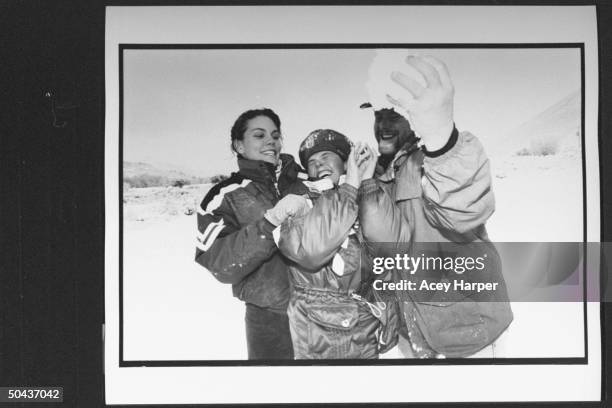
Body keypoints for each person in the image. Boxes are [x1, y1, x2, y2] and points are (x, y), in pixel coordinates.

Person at [358, 55, 513, 358]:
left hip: (468, 334)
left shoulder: (439, 160)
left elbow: (465, 208)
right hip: (415, 332)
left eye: (395, 115)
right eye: (380, 116)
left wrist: (442, 141)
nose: (384, 126)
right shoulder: (382, 174)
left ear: (415, 119)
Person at [194, 108, 310, 360]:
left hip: (324, 313)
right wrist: (269, 224)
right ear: (239, 145)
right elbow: (219, 263)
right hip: (269, 320)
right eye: (259, 135)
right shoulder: (223, 197)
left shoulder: (306, 181)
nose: (271, 141)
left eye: (276, 135)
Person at [273, 129, 398, 359]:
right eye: (311, 161)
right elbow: (313, 251)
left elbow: (388, 245)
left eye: (325, 156)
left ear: (344, 161)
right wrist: (351, 184)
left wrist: (367, 181)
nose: (318, 165)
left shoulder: (366, 193)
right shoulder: (299, 201)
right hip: (321, 329)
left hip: (365, 324)